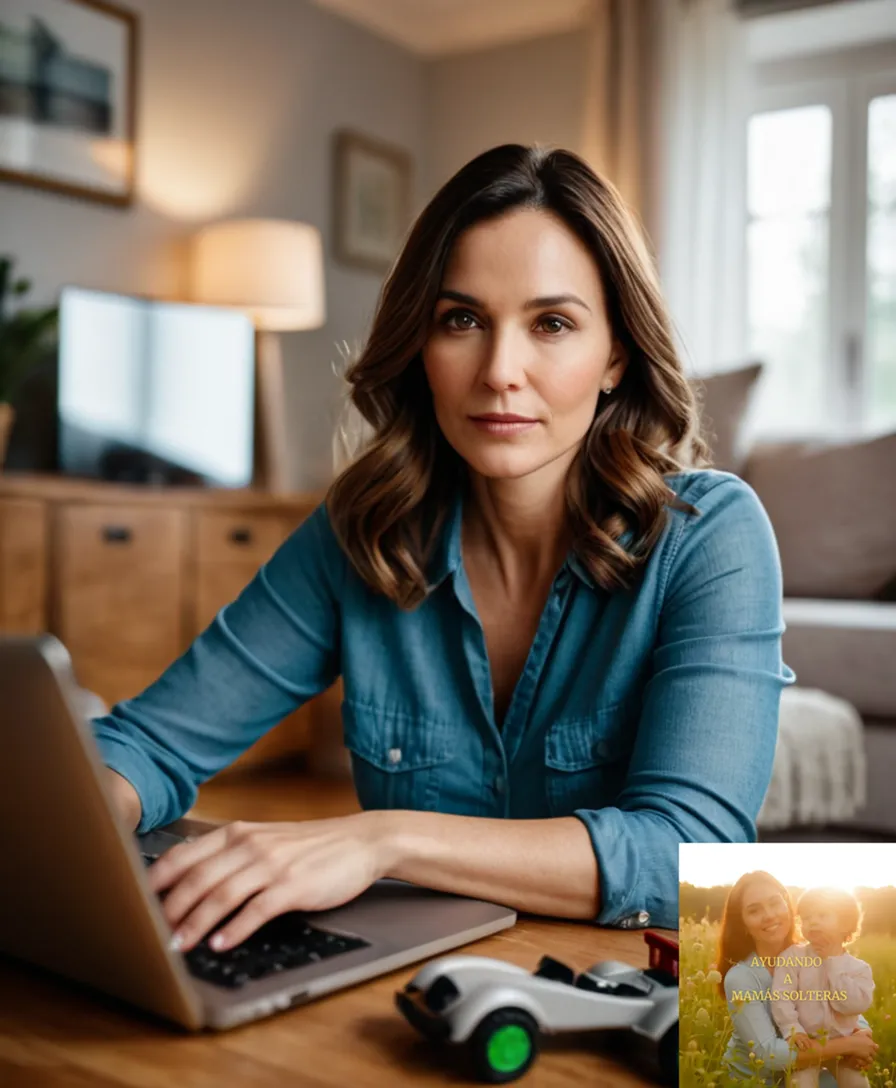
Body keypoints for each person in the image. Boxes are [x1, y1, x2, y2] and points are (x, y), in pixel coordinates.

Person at [93, 143, 794, 958]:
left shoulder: (711, 535)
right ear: (421, 346)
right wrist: (74, 822)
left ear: (616, 358)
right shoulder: (363, 530)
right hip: (402, 988)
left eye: (552, 323)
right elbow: (148, 742)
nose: (500, 371)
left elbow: (691, 852)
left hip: (613, 1003)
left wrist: (380, 841)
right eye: (462, 319)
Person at [718, 871, 878, 1084]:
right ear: (743, 924)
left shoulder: (815, 953)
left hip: (809, 1065)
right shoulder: (740, 978)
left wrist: (862, 1032)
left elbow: (838, 1003)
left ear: (787, 906)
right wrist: (849, 1045)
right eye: (754, 910)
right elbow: (768, 1055)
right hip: (756, 1080)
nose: (769, 915)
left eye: (775, 903)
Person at [770, 886, 875, 1087]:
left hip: (843, 1049)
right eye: (807, 918)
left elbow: (853, 1006)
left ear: (845, 923)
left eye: (822, 915)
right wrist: (793, 1030)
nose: (813, 922)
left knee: (858, 1083)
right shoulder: (792, 957)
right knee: (800, 1083)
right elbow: (781, 997)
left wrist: (832, 962)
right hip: (807, 1044)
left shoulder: (859, 969)